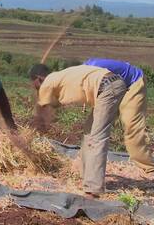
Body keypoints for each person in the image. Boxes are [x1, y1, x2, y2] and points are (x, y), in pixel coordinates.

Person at [29, 64, 127, 198]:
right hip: (110, 85)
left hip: (107, 88)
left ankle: (93, 189)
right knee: (89, 132)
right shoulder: (58, 78)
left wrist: (33, 133)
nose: (33, 86)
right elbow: (56, 104)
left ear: (38, 78)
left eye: (32, 82)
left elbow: (43, 112)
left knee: (96, 137)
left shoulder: (47, 83)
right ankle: (85, 176)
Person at [83, 58, 154, 174]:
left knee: (131, 125)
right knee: (91, 126)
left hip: (133, 83)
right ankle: (84, 164)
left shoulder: (93, 70)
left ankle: (148, 169)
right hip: (113, 87)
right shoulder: (83, 75)